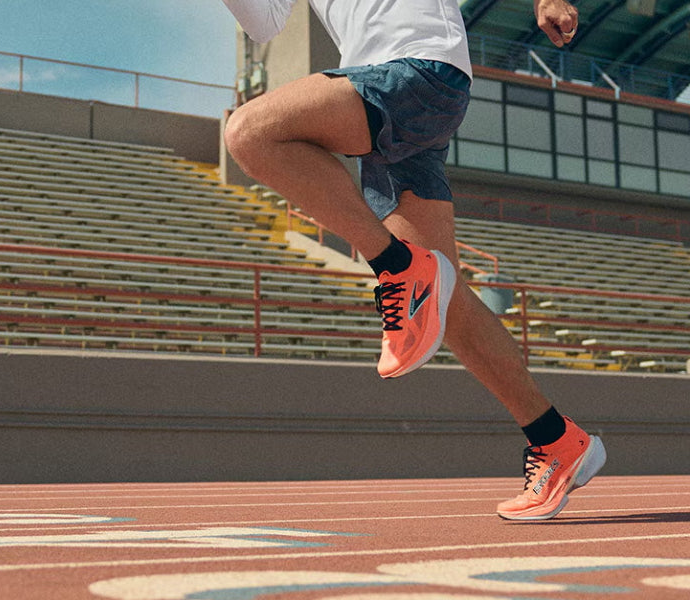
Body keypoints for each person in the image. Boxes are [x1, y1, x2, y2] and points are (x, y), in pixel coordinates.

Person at [219, 0, 606, 521]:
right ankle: (556, 440)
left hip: (418, 71)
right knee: (450, 304)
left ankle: (394, 264)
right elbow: (265, 23)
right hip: (383, 106)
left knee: (251, 132)